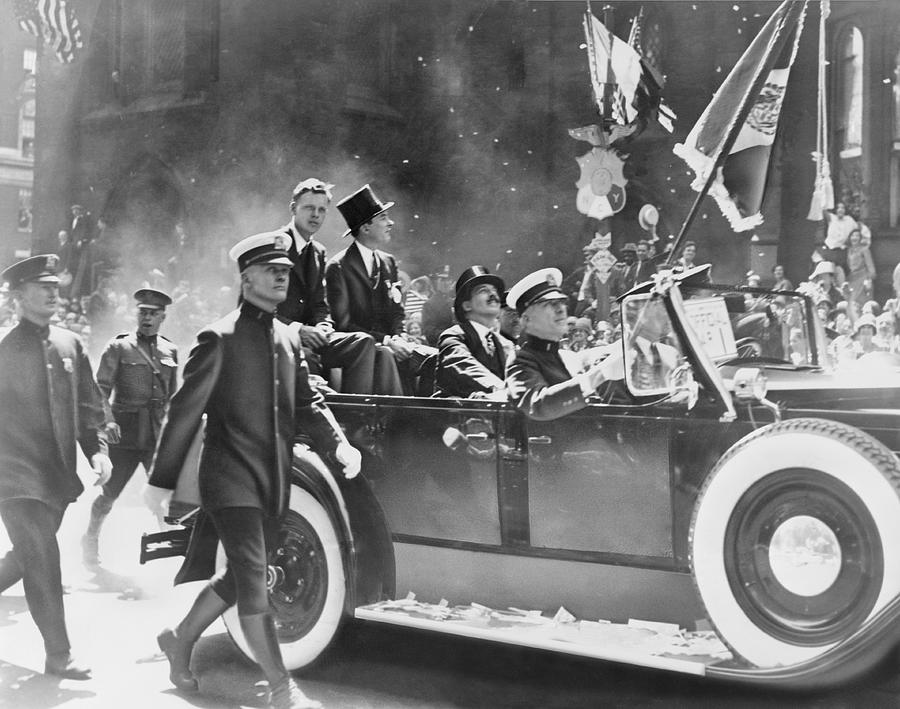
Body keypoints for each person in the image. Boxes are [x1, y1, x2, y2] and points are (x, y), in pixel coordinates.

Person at [143, 231, 360, 709]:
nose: (283, 275)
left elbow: (308, 401)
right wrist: (160, 481)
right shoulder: (217, 338)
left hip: (274, 481)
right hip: (228, 479)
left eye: (286, 269)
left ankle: (179, 639)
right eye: (271, 270)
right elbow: (183, 411)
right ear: (246, 279)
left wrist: (338, 442)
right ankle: (282, 686)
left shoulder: (287, 337)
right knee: (254, 574)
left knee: (241, 577)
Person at [0, 254, 112, 680]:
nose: (52, 293)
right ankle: (58, 654)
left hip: (57, 477)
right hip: (13, 476)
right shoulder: (3, 351)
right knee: (44, 557)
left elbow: (88, 406)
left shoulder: (70, 344)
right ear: (19, 295)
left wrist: (98, 450)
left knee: (26, 556)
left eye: (55, 286)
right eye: (42, 287)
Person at [82, 288, 178, 567]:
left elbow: (173, 396)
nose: (146, 318)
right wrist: (108, 420)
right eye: (142, 312)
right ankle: (90, 539)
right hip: (123, 433)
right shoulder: (119, 347)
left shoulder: (170, 350)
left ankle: (172, 551)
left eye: (153, 313)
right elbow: (100, 390)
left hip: (156, 435)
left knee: (163, 496)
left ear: (163, 316)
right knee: (109, 495)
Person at [276, 178, 377, 394]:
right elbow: (259, 308)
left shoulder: (318, 252)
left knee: (363, 342)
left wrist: (323, 325)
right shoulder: (275, 245)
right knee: (307, 357)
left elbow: (320, 306)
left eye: (322, 210)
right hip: (279, 338)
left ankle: (354, 418)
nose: (316, 215)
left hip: (313, 337)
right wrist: (298, 330)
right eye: (309, 208)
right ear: (293, 209)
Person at [326, 184, 415, 395]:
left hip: (392, 345)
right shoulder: (339, 266)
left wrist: (399, 337)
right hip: (361, 351)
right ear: (365, 228)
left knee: (431, 360)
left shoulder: (388, 262)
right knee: (385, 356)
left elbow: (396, 311)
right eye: (383, 218)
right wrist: (386, 341)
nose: (390, 223)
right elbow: (343, 324)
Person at [506, 268, 624, 421]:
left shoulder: (567, 356)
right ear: (526, 320)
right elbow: (538, 406)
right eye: (548, 304)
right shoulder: (521, 360)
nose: (560, 309)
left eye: (561, 302)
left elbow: (611, 351)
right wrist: (598, 375)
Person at [434, 266, 508, 399]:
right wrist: (501, 388)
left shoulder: (503, 343)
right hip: (454, 415)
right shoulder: (453, 337)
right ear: (467, 305)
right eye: (483, 290)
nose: (493, 295)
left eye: (494, 290)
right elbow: (463, 365)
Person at [421, 265, 455, 346]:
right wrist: (452, 333)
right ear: (436, 282)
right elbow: (429, 333)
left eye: (448, 280)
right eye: (442, 280)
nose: (446, 283)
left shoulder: (454, 301)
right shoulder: (430, 304)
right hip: (440, 345)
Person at [845, 228, 876, 307]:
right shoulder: (848, 250)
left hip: (862, 279)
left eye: (857, 236)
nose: (854, 238)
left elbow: (871, 268)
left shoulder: (865, 250)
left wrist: (868, 280)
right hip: (851, 279)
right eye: (852, 236)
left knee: (862, 303)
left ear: (860, 238)